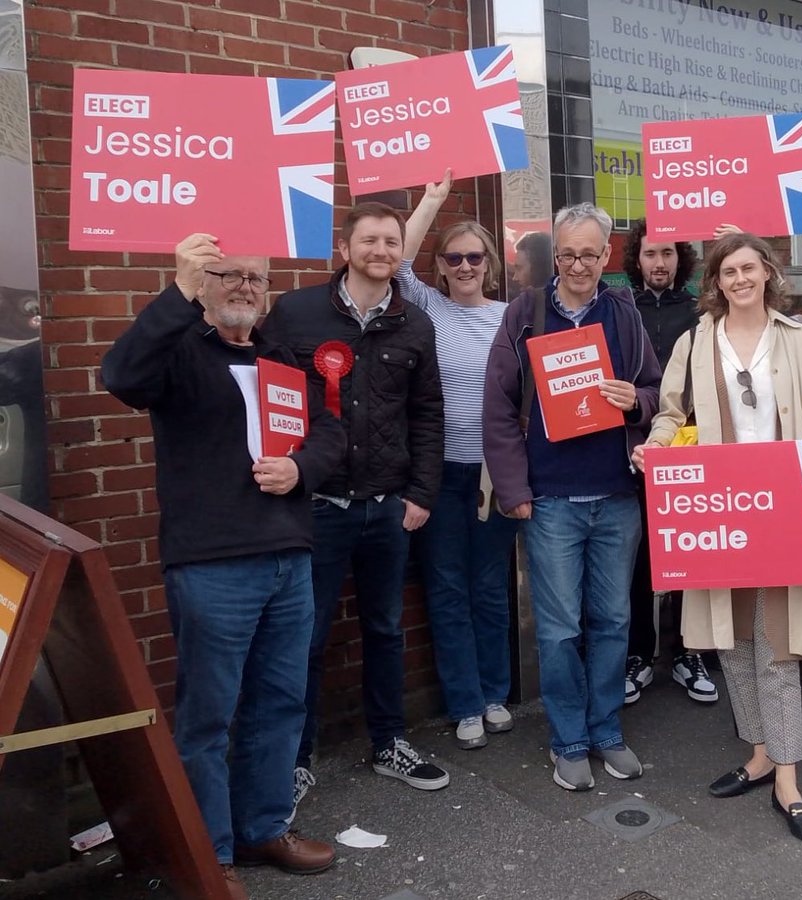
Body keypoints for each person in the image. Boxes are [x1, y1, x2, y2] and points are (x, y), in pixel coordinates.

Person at [102, 234, 345, 898]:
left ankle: (263, 827)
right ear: (203, 284)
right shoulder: (175, 355)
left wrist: (300, 468)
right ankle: (209, 855)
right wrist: (177, 291)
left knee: (279, 705)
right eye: (228, 275)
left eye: (256, 279)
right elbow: (120, 375)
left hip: (288, 560)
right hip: (212, 566)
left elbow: (328, 432)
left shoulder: (279, 357)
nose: (244, 286)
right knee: (209, 717)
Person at [633, 232, 802, 843]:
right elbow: (671, 412)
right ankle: (758, 752)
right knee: (731, 642)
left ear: (768, 273)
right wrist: (654, 449)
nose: (739, 279)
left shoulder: (800, 338)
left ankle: (788, 777)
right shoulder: (695, 339)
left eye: (748, 268)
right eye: (728, 271)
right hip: (720, 506)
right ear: (716, 281)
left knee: (776, 644)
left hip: (785, 502)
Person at [261, 202, 448, 820]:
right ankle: (295, 757)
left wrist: (421, 494)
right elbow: (269, 401)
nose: (381, 250)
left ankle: (388, 741)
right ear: (346, 248)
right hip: (314, 506)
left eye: (391, 242)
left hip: (387, 506)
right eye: (369, 240)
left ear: (401, 251)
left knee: (386, 629)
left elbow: (426, 415)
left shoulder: (415, 324)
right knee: (305, 638)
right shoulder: (295, 314)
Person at [483, 202, 661, 791]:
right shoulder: (523, 314)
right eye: (567, 253)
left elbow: (660, 392)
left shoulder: (623, 313)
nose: (578, 264)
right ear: (553, 255)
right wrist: (513, 489)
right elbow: (499, 410)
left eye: (590, 253)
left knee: (612, 620)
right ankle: (569, 739)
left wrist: (636, 401)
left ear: (606, 255)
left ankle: (606, 728)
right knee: (559, 628)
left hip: (615, 494)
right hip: (552, 498)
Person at [397, 171, 520, 750]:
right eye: (455, 258)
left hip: (494, 475)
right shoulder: (426, 308)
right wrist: (433, 198)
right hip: (440, 473)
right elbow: (397, 263)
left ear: (488, 262)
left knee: (491, 587)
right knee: (447, 588)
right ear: (441, 266)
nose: (466, 266)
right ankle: (465, 703)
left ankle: (495, 693)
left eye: (475, 257)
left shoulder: (510, 316)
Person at [620, 218, 716, 706]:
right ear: (636, 260)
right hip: (633, 449)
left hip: (691, 447)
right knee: (638, 557)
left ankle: (687, 651)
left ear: (682, 260)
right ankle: (639, 654)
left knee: (688, 554)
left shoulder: (701, 313)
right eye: (651, 254)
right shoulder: (622, 309)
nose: (660, 263)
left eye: (669, 254)